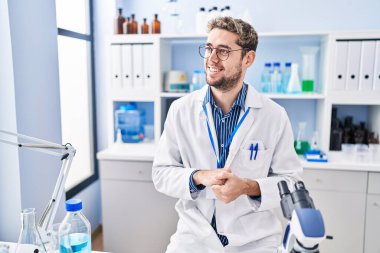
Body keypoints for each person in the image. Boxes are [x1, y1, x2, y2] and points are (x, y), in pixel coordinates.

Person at [152, 16, 302, 253]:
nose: (211, 59)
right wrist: (199, 176)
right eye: (209, 48)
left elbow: (292, 183)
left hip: (254, 240)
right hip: (193, 237)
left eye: (223, 51)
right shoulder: (181, 110)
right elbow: (161, 173)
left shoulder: (274, 115)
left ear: (248, 58)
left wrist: (246, 187)